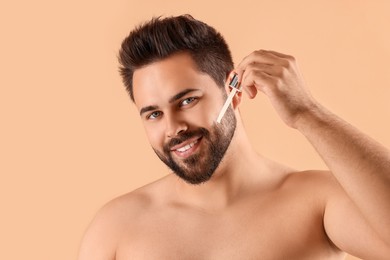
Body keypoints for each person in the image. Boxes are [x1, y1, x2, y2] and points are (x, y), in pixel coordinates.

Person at [78, 14, 390, 259]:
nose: (173, 128)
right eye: (154, 114)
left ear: (234, 90)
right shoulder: (115, 229)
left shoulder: (316, 203)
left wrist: (306, 113)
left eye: (187, 101)